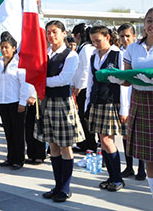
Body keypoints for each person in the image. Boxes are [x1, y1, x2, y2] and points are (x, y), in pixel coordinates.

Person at [38, 20, 85, 203]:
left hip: (63, 103)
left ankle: (65, 187)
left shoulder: (70, 55)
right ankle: (57, 185)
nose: (51, 36)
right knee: (53, 146)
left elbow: (63, 79)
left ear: (64, 33)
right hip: (48, 102)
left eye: (55, 32)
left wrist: (41, 82)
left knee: (65, 146)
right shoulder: (45, 54)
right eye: (48, 32)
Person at [86, 26, 129, 192]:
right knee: (102, 141)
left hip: (111, 102)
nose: (95, 44)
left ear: (108, 37)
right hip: (96, 102)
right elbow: (90, 81)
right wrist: (87, 104)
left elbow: (125, 82)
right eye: (93, 41)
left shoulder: (118, 54)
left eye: (98, 40)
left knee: (107, 140)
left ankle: (117, 178)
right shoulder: (93, 56)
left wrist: (124, 108)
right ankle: (111, 176)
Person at [117, 7, 153, 197]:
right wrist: (117, 78)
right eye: (149, 20)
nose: (151, 25)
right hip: (140, 99)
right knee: (149, 157)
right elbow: (126, 78)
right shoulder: (133, 48)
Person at [0, 33, 34, 170]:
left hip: (16, 102)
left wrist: (22, 102)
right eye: (1, 47)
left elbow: (24, 84)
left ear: (14, 48)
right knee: (8, 131)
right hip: (2, 102)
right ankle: (10, 157)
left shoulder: (19, 63)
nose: (4, 50)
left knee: (18, 132)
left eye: (6, 47)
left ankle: (19, 159)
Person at [117, 23, 146, 181]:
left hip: (135, 98)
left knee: (140, 136)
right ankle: (129, 166)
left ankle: (142, 168)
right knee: (126, 135)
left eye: (128, 36)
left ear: (134, 36)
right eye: (122, 36)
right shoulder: (119, 53)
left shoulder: (137, 51)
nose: (125, 39)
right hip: (123, 100)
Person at [72, 23, 97, 153]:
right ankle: (83, 143)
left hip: (85, 88)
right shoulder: (82, 48)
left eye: (75, 36)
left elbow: (86, 70)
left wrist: (79, 86)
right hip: (80, 87)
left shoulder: (87, 49)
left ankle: (90, 144)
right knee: (81, 116)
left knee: (86, 116)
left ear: (79, 35)